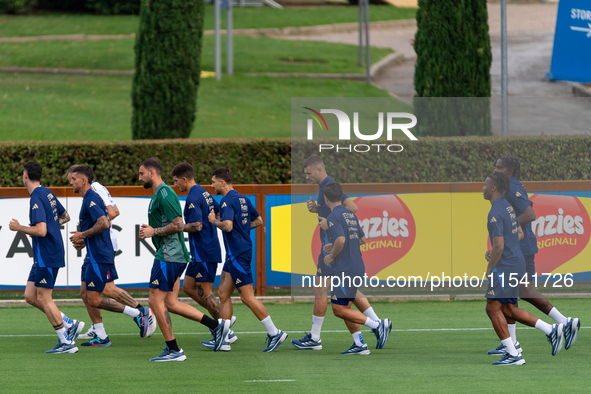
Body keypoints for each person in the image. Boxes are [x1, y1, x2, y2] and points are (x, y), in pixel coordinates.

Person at [138, 158, 229, 362]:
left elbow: (179, 224)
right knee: (170, 302)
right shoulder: (160, 194)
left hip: (169, 255)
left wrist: (154, 231)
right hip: (171, 254)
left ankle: (174, 350)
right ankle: (217, 327)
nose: (139, 177)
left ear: (152, 173)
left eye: (142, 173)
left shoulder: (165, 192)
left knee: (154, 300)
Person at [489, 155, 580, 355]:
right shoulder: (507, 186)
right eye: (495, 166)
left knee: (519, 293)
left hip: (522, 247)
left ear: (510, 171)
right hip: (518, 246)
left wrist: (508, 231)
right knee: (514, 296)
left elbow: (530, 214)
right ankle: (513, 342)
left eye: (499, 167)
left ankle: (564, 323)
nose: (495, 170)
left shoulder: (513, 186)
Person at [292, 155, 383, 351]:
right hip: (334, 249)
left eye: (308, 174)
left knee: (325, 293)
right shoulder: (324, 188)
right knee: (346, 292)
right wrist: (319, 210)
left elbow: (351, 208)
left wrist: (331, 224)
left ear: (319, 170)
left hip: (331, 250)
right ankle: (374, 328)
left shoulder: (329, 185)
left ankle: (316, 338)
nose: (307, 177)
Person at [67, 165, 156, 347]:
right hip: (94, 251)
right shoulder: (89, 197)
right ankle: (100, 334)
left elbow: (105, 222)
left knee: (97, 297)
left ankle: (139, 313)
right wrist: (85, 240)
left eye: (73, 180)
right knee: (86, 293)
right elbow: (102, 222)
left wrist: (83, 235)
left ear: (83, 180)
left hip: (99, 254)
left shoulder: (92, 196)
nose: (71, 183)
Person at [483, 172, 564, 366]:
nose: (483, 188)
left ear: (494, 188)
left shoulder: (495, 212)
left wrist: (489, 267)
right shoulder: (508, 207)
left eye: (485, 185)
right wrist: (497, 249)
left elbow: (500, 246)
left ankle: (513, 355)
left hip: (506, 266)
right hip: (517, 262)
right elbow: (518, 233)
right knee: (508, 309)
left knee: (492, 308)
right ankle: (551, 331)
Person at [208, 167, 287, 352]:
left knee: (247, 298)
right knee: (223, 294)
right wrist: (242, 229)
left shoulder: (227, 201)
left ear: (222, 183)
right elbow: (259, 220)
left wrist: (213, 221)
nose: (211, 185)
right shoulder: (243, 199)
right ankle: (224, 338)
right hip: (235, 255)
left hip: (237, 255)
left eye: (213, 182)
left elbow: (227, 226)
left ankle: (275, 333)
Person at [8, 161, 84, 354]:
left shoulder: (35, 198)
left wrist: (19, 228)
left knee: (44, 297)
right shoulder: (47, 192)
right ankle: (68, 323)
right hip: (46, 254)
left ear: (25, 176)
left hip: (47, 254)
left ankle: (66, 342)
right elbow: (65, 216)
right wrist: (52, 224)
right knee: (30, 296)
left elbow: (41, 231)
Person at [170, 162, 237, 351]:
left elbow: (197, 225)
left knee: (206, 293)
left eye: (176, 182)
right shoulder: (203, 192)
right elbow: (216, 209)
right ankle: (223, 324)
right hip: (201, 251)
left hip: (204, 252)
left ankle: (225, 332)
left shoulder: (192, 197)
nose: (176, 185)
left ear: (185, 179)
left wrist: (177, 227)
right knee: (189, 288)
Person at [319, 182, 391, 355]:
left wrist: (331, 255)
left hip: (346, 269)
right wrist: (334, 246)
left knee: (338, 310)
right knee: (346, 307)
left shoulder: (333, 216)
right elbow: (362, 239)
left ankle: (378, 325)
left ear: (325, 198)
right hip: (355, 265)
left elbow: (341, 240)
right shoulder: (349, 214)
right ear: (341, 196)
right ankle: (359, 344)